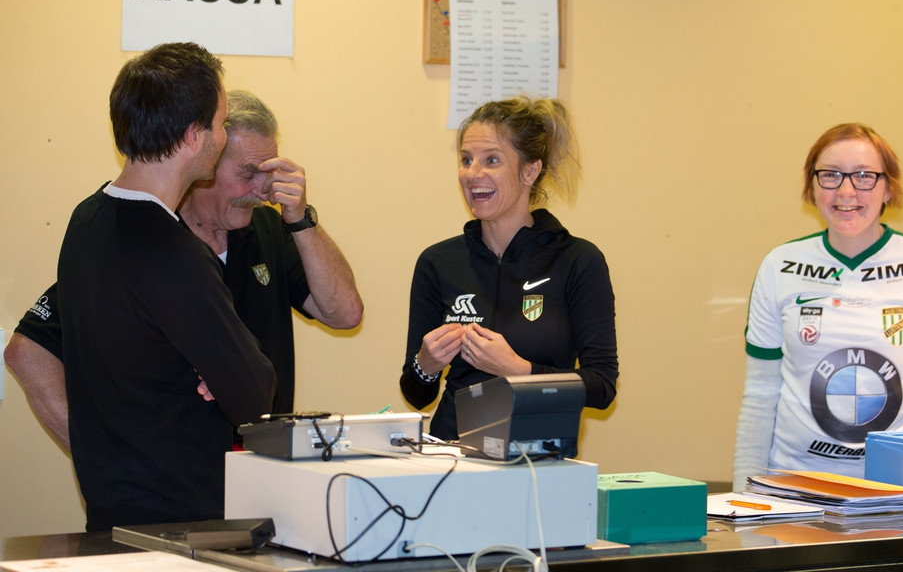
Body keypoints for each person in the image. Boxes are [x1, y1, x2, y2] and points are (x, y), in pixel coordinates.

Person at [5, 89, 363, 453]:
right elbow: (26, 352)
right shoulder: (149, 239)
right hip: (179, 474)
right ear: (205, 161)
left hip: (264, 459)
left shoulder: (268, 228)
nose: (263, 190)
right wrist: (97, 454)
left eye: (269, 173)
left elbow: (345, 313)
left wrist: (301, 220)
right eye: (249, 173)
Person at [55, 42, 276, 531]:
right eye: (220, 124)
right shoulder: (175, 254)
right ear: (195, 135)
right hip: (181, 528)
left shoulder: (86, 220)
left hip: (110, 513)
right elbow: (255, 395)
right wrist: (214, 371)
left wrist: (201, 366)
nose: (223, 136)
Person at [733, 123, 903, 490]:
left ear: (888, 187)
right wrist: (744, 495)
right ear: (812, 186)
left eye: (864, 176)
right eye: (830, 175)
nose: (846, 191)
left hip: (900, 488)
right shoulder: (779, 267)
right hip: (794, 489)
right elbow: (760, 396)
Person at [399, 96, 618, 443]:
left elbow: (602, 387)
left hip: (539, 459)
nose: (473, 174)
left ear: (530, 171)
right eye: (466, 160)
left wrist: (518, 370)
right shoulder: (437, 262)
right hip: (452, 455)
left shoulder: (577, 260)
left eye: (492, 160)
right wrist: (425, 365)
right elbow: (417, 394)